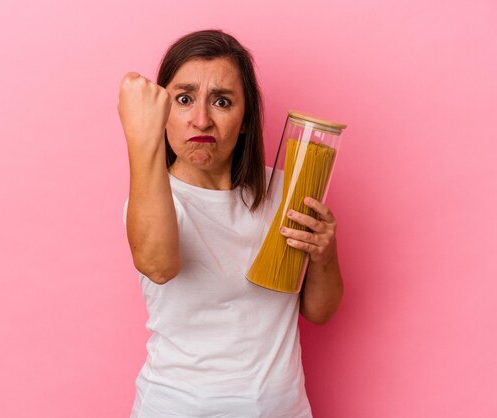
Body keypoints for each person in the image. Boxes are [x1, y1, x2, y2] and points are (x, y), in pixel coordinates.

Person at [118, 29, 343, 418]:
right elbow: (158, 265)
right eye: (184, 99)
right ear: (161, 111)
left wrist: (325, 253)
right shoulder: (152, 200)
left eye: (222, 101)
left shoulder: (285, 192)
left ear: (244, 120)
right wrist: (140, 136)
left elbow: (319, 312)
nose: (201, 119)